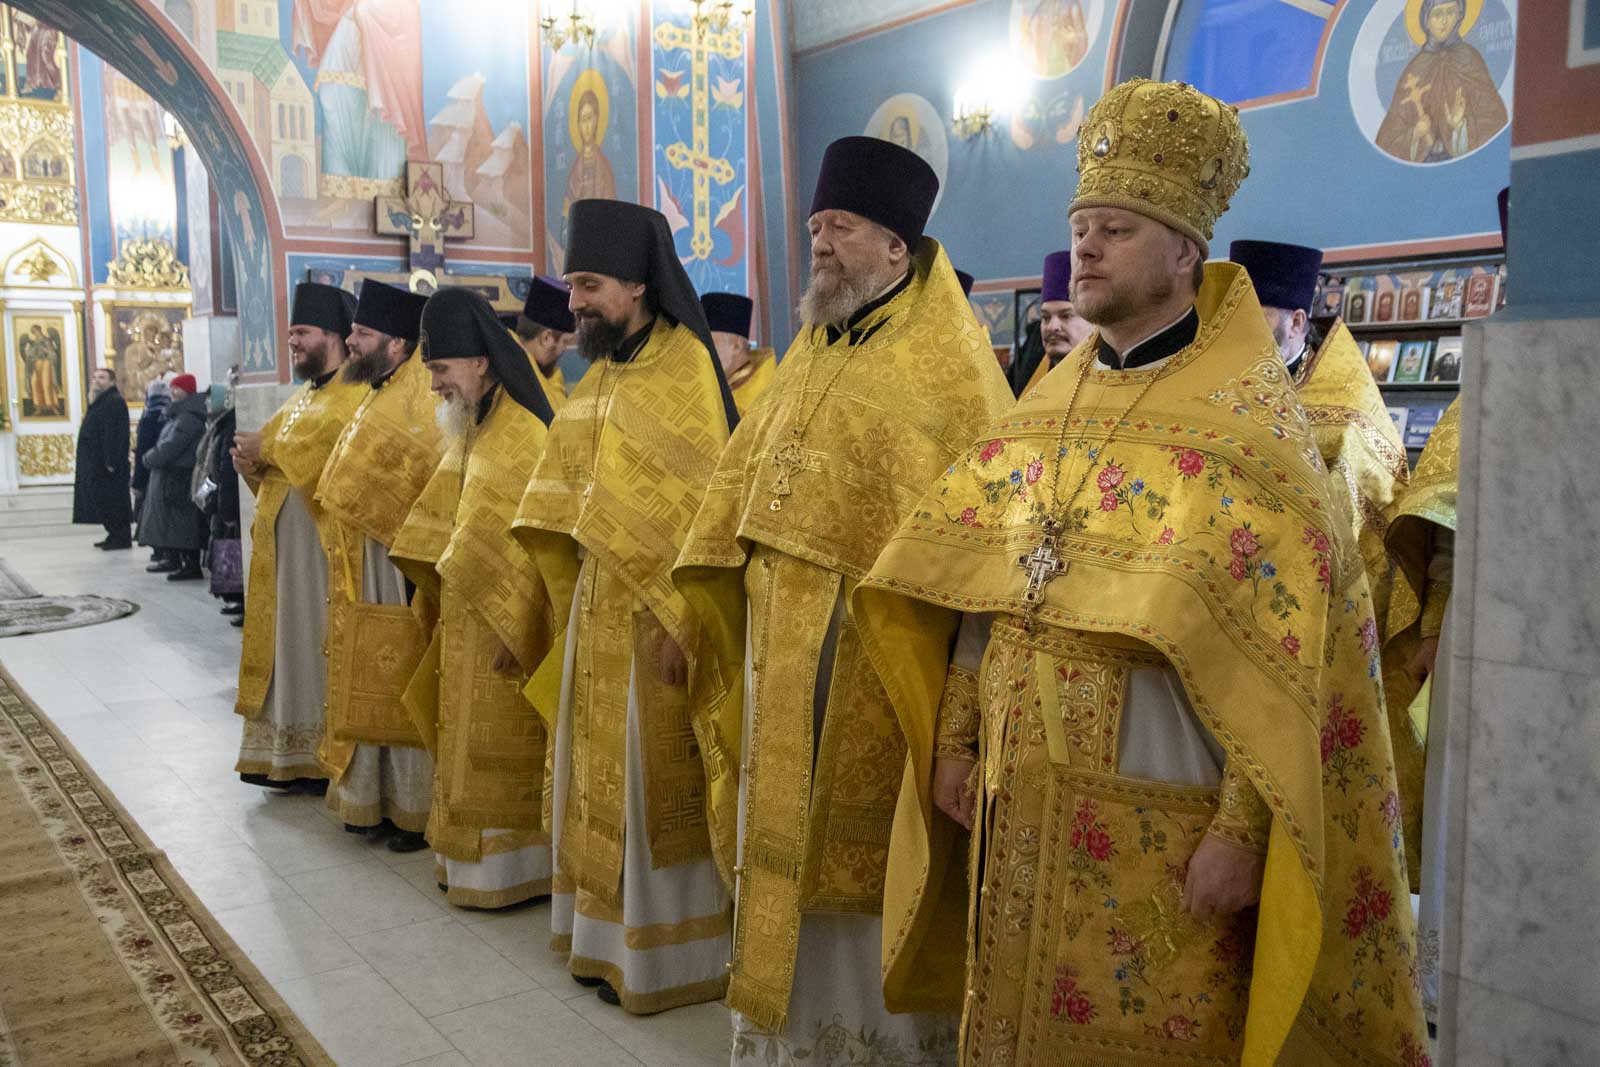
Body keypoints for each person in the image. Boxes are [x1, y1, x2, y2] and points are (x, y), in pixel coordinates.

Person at [853, 79, 1428, 1065]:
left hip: (1162, 801)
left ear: (1184, 252)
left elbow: (1288, 662)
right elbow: (985, 596)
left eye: (1115, 230)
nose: (1085, 248)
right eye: (1080, 228)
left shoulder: (1256, 437)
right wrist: (954, 740)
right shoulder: (1042, 410)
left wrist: (1242, 832)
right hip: (1016, 793)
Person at [673, 135, 1013, 1063]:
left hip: (874, 664)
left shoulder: (952, 370)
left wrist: (961, 725)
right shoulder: (816, 347)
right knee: (777, 844)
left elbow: (981, 565)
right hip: (779, 652)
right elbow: (740, 492)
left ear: (898, 245)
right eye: (817, 224)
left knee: (864, 867)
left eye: (842, 226)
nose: (820, 242)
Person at [512, 198, 736, 1013]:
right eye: (573, 284)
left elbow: (708, 511)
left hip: (655, 616)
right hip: (596, 605)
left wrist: (688, 622)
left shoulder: (687, 368)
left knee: (649, 787)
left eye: (589, 285)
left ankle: (664, 954)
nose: (575, 302)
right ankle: (599, 937)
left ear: (638, 285)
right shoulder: (600, 373)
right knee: (594, 776)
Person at [1232, 238, 1421, 873]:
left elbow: (1350, 540)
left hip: (1311, 633)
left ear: (1296, 322)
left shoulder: (1347, 420)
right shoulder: (1216, 392)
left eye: (1253, 316)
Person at [389, 287, 557, 909]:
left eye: (440, 369)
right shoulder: (471, 426)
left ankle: (510, 871)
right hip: (462, 620)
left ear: (481, 361)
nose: (433, 384)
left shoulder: (526, 435)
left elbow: (543, 545)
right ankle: (461, 861)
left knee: (502, 746)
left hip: (507, 630)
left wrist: (524, 626)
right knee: (460, 739)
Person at [316, 280, 441, 852]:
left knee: (398, 676)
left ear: (397, 343)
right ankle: (370, 795)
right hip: (360, 565)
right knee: (366, 676)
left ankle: (412, 808)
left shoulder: (421, 400)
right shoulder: (375, 391)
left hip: (397, 569)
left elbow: (427, 481)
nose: (351, 341)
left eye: (363, 333)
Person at [233, 282, 367, 791]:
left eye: (301, 332)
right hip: (284, 556)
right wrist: (252, 462)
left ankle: (315, 754)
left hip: (320, 553)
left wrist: (269, 451)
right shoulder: (303, 397)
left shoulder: (354, 396)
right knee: (287, 646)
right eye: (290, 332)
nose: (292, 341)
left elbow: (339, 460)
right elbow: (278, 461)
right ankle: (281, 753)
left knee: (313, 644)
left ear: (332, 336)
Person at [1383, 395, 1458, 1028]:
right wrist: (1432, 629)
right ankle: (1438, 981)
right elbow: (1442, 538)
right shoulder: (1478, 409)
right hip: (1477, 634)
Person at [138, 373, 207, 581]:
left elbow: (170, 446)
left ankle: (190, 564)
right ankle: (175, 559)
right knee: (172, 523)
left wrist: (148, 458)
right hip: (171, 476)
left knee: (183, 524)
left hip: (179, 476)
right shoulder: (178, 415)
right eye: (172, 388)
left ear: (187, 391)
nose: (173, 392)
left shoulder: (188, 418)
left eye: (177, 388)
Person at [1019, 249, 1094, 396]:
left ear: (1095, 324)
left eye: (1066, 316)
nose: (1052, 327)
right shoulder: (1032, 386)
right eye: (1045, 317)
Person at [74, 367, 133, 549]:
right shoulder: (101, 400)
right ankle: (113, 533)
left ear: (112, 382)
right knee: (104, 500)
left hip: (109, 464)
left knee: (114, 501)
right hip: (98, 462)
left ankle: (121, 537)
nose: (96, 380)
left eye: (101, 377)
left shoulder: (114, 401)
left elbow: (114, 434)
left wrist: (111, 461)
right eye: (95, 377)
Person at [700, 292, 776, 415]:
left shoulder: (760, 400)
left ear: (737, 346)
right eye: (702, 345)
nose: (703, 352)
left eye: (711, 344)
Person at [513, 275, 576, 411]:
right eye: (565, 341)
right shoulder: (540, 397)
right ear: (546, 338)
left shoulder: (504, 365)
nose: (564, 349)